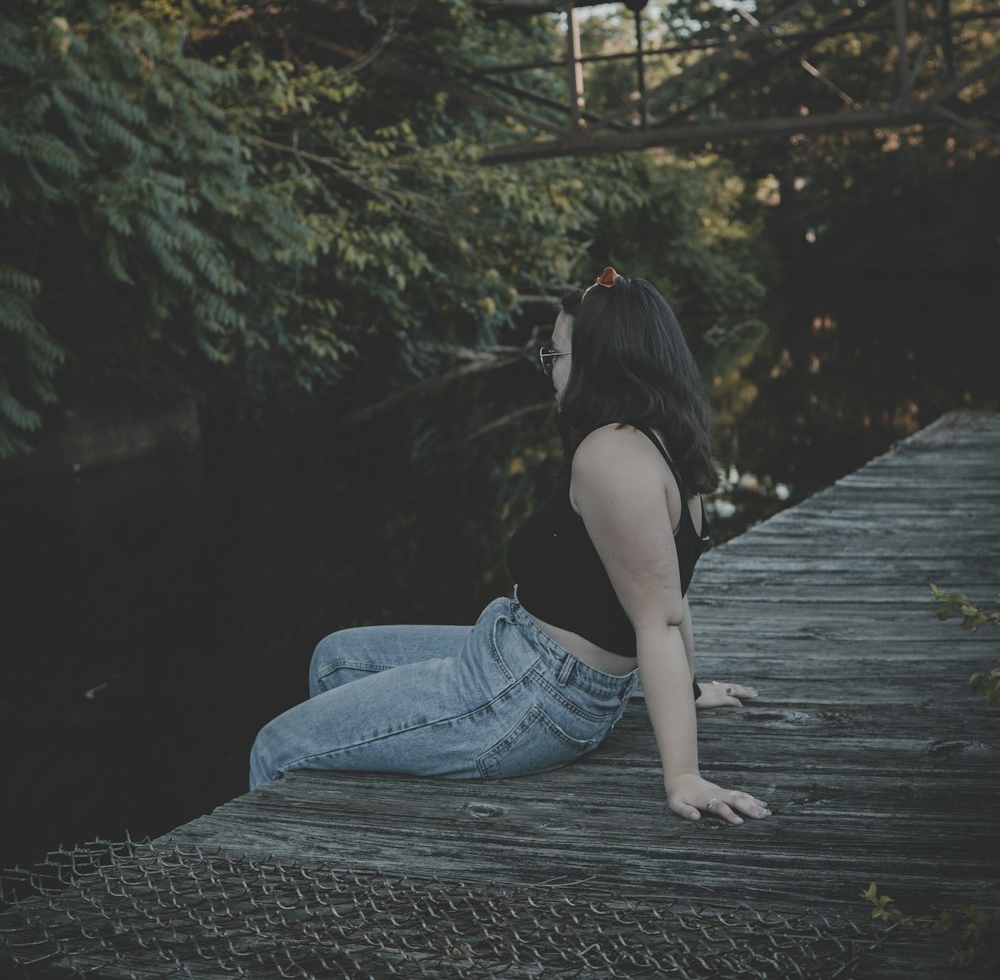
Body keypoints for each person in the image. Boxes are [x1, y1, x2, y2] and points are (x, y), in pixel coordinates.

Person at [249, 267, 771, 826]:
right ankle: (343, 814)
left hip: (531, 696)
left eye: (556, 355)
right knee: (335, 660)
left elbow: (660, 619)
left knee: (274, 747)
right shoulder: (665, 442)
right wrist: (688, 691)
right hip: (519, 655)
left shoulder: (611, 458)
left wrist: (684, 775)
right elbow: (672, 592)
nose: (549, 370)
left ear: (598, 363)